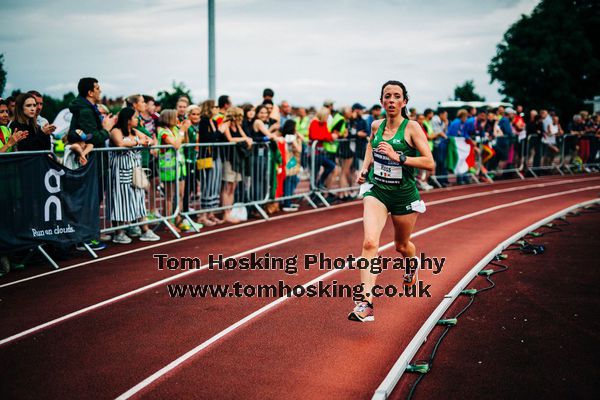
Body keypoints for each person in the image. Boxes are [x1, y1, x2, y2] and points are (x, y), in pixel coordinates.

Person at [348, 80, 434, 322]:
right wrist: (365, 169)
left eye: (397, 96)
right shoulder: (376, 125)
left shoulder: (412, 128)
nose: (392, 100)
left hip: (404, 195)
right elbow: (370, 147)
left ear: (404, 102)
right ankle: (366, 304)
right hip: (378, 191)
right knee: (369, 242)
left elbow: (430, 162)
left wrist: (399, 157)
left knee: (401, 245)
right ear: (382, 101)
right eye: (388, 96)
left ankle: (411, 265)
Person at [68, 77, 117, 250]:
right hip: (90, 163)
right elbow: (93, 137)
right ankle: (85, 238)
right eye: (97, 88)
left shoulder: (88, 109)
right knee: (90, 201)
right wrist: (107, 129)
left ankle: (91, 234)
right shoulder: (86, 111)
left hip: (95, 162)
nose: (100, 90)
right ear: (90, 92)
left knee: (95, 200)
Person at [109, 107, 160, 243]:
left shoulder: (134, 131)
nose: (138, 119)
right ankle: (119, 232)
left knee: (139, 200)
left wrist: (143, 141)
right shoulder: (116, 130)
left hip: (135, 170)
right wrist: (138, 142)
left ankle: (144, 229)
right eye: (135, 117)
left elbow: (149, 140)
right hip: (120, 171)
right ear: (128, 120)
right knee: (120, 201)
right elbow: (120, 143)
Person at [157, 109, 191, 232]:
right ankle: (168, 221)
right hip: (169, 169)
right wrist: (182, 131)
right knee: (169, 196)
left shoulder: (176, 129)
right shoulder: (163, 132)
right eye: (176, 117)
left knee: (181, 195)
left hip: (180, 167)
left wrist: (184, 130)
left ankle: (178, 218)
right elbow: (176, 145)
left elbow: (186, 142)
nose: (178, 119)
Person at [219, 107, 253, 223]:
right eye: (240, 116)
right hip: (229, 159)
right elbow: (230, 139)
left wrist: (246, 139)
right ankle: (226, 213)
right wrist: (245, 139)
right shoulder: (227, 124)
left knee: (233, 187)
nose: (241, 119)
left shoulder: (237, 126)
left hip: (238, 159)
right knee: (227, 187)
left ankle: (229, 211)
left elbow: (245, 137)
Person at [196, 100, 224, 226]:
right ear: (209, 108)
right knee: (207, 185)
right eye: (215, 107)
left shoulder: (213, 121)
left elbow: (217, 138)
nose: (217, 108)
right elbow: (207, 138)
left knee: (214, 185)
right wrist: (220, 131)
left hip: (215, 156)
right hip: (205, 157)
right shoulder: (204, 121)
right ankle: (202, 215)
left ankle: (210, 213)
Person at [281, 120, 303, 211]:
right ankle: (287, 203)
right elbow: (299, 149)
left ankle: (288, 201)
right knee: (289, 181)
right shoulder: (290, 137)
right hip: (289, 160)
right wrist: (299, 141)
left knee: (292, 179)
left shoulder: (288, 136)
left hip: (291, 160)